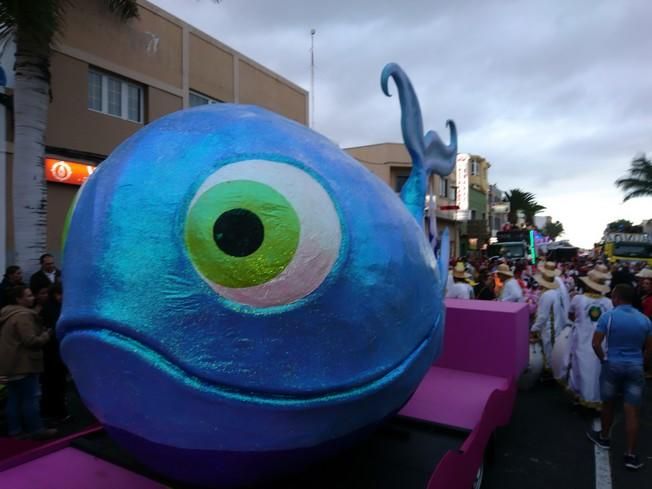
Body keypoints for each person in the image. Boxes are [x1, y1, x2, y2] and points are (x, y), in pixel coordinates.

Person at [586, 284, 652, 471]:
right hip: (635, 366)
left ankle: (604, 437)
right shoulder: (645, 320)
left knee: (608, 403)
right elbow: (649, 348)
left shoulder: (609, 316)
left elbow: (596, 343)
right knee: (632, 411)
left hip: (613, 364)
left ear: (617, 298)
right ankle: (630, 454)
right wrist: (643, 363)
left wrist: (604, 360)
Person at [0, 285, 57, 439]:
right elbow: (30, 341)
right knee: (30, 398)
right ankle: (36, 429)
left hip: (9, 364)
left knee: (13, 399)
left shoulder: (7, 313)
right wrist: (46, 335)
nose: (33, 298)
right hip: (23, 364)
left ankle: (15, 431)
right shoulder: (23, 316)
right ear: (19, 299)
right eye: (29, 295)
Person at [567, 269, 612, 409]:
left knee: (580, 367)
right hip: (601, 342)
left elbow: (570, 315)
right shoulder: (608, 302)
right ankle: (596, 398)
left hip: (582, 339)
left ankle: (582, 397)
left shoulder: (578, 299)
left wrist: (582, 322)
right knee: (597, 370)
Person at [40, 283, 69, 422]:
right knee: (55, 384)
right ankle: (58, 412)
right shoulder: (52, 310)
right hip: (53, 354)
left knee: (53, 384)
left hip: (54, 353)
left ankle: (51, 410)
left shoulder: (51, 308)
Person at [530, 269, 563, 370]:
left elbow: (542, 317)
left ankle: (550, 373)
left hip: (550, 330)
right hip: (555, 327)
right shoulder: (555, 292)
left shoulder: (547, 295)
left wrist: (533, 329)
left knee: (549, 352)